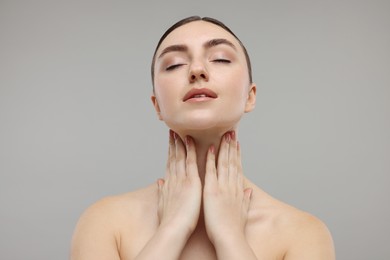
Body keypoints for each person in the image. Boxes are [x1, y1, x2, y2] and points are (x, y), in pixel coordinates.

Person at [70, 16, 335, 260]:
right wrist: (173, 227)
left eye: (220, 58)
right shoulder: (104, 222)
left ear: (250, 96)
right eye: (174, 64)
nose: (197, 70)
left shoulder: (303, 233)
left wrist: (229, 235)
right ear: (157, 106)